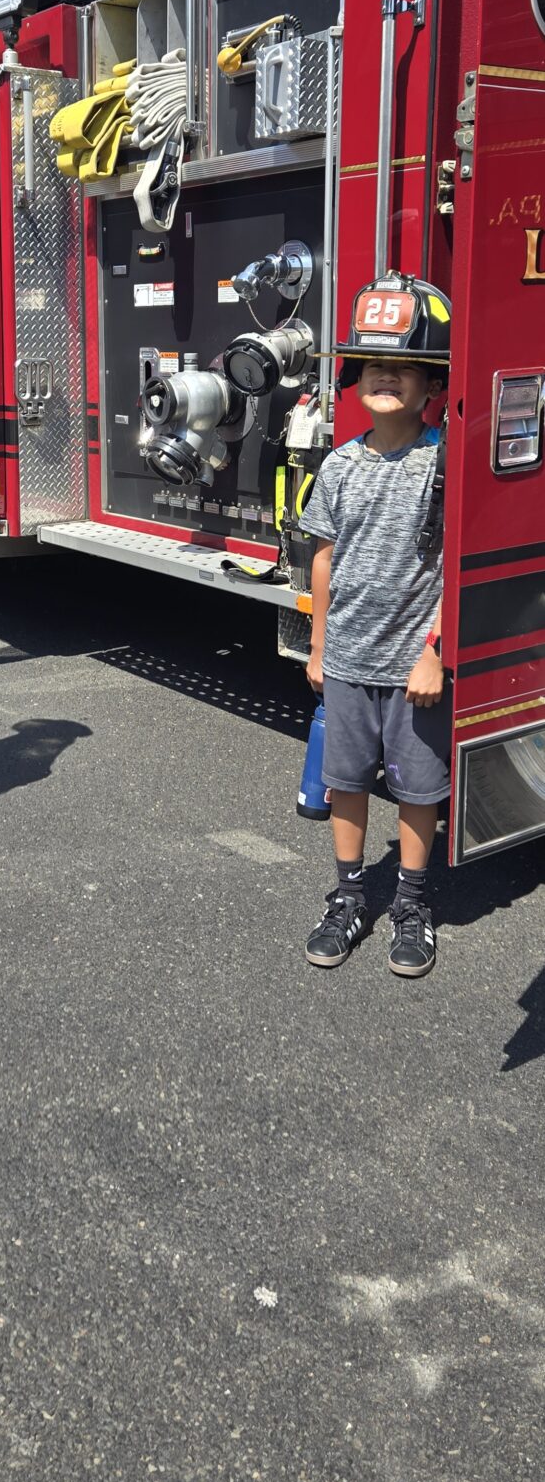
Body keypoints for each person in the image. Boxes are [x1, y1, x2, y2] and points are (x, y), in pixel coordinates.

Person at [300, 272, 451, 979]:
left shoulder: (444, 460)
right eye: (371, 365)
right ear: (353, 380)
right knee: (347, 781)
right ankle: (350, 896)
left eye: (404, 367)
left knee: (419, 789)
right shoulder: (337, 465)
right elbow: (323, 558)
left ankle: (412, 903)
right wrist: (318, 646)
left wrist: (434, 650)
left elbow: (458, 565)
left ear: (432, 386)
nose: (385, 377)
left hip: (415, 664)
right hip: (349, 658)